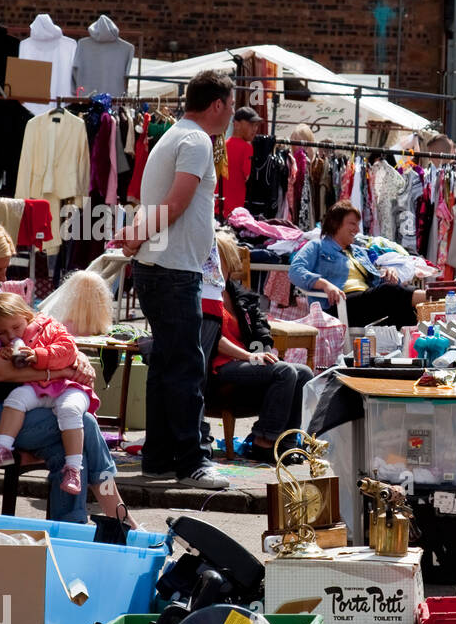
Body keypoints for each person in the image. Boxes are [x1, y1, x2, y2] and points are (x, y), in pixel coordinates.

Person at [0, 220, 135, 525]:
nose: (3, 277)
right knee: (80, 424)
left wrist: (70, 358)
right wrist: (61, 373)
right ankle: (116, 517)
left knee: (70, 447)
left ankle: (71, 530)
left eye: (4, 268)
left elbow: (38, 331)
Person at [115, 69, 232, 491]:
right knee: (184, 366)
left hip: (160, 266)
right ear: (217, 104)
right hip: (173, 269)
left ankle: (159, 458)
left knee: (167, 365)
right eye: (231, 105)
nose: (232, 113)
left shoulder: (176, 136)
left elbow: (169, 203)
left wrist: (137, 236)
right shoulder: (197, 140)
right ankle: (191, 463)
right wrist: (137, 235)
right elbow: (178, 202)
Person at [0, 292, 100, 495]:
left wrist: (38, 355)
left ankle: (73, 468)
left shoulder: (50, 326)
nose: (10, 335)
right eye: (2, 332)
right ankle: (2, 448)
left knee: (69, 410)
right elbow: (7, 371)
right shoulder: (10, 344)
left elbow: (68, 350)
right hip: (40, 388)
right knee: (15, 398)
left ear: (28, 316)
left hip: (68, 386)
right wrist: (5, 356)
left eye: (16, 327)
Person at [209, 231, 314, 462]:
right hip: (218, 366)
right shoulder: (204, 294)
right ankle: (263, 441)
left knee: (303, 373)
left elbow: (259, 329)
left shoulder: (239, 295)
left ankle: (286, 443)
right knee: (284, 372)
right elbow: (213, 339)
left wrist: (260, 353)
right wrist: (249, 356)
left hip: (244, 360)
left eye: (221, 259)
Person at [289, 201, 427, 327]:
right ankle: (434, 297)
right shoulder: (317, 246)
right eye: (352, 224)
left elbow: (376, 276)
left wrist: (388, 271)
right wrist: (325, 284)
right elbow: (295, 271)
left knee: (405, 311)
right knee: (388, 292)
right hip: (338, 305)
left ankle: (410, 351)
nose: (357, 230)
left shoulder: (358, 252)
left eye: (358, 224)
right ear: (335, 224)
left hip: (365, 302)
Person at [222, 104, 259, 218]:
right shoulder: (246, 148)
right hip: (234, 212)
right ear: (236, 125)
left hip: (217, 207)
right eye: (250, 124)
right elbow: (249, 177)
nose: (254, 129)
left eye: (256, 125)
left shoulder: (223, 145)